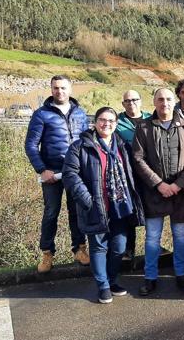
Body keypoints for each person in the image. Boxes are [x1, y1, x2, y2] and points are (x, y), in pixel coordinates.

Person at [62, 107, 145, 304]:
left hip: (120, 206)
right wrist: (87, 199)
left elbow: (132, 173)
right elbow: (70, 175)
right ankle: (103, 286)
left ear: (116, 124)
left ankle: (112, 279)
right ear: (95, 122)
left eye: (110, 121)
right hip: (96, 206)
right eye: (102, 120)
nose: (106, 124)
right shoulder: (80, 147)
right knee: (99, 247)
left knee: (119, 247)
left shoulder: (123, 146)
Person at [132, 88, 184, 295]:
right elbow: (138, 159)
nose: (165, 103)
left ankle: (181, 274)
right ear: (154, 102)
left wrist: (178, 185)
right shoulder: (143, 128)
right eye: (160, 99)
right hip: (154, 193)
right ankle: (150, 277)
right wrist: (159, 184)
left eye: (169, 99)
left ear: (175, 101)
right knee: (152, 237)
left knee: (181, 236)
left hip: (182, 193)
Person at [24, 75, 90, 273]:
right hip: (51, 173)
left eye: (63, 88)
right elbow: (30, 144)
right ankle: (47, 254)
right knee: (51, 212)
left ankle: (79, 249)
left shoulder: (80, 113)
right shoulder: (41, 114)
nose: (59, 91)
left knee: (77, 211)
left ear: (70, 89)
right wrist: (42, 170)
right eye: (55, 88)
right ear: (51, 90)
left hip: (75, 172)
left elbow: (86, 141)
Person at [115, 89, 151, 260]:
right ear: (123, 104)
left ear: (141, 101)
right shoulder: (117, 122)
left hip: (150, 172)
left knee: (151, 210)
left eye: (134, 99)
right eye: (127, 101)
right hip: (127, 173)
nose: (131, 103)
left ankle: (154, 245)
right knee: (130, 210)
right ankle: (129, 249)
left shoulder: (151, 118)